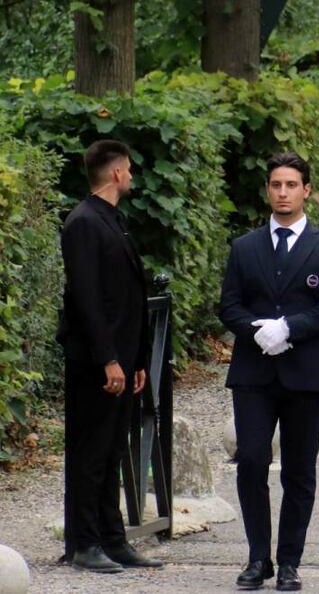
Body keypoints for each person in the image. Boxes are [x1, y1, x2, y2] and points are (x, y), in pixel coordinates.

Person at [218, 152, 319, 591]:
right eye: (276, 185)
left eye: (291, 185)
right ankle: (259, 556)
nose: (283, 193)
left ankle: (290, 560)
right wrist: (257, 331)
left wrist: (289, 328)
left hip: (304, 373)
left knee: (299, 470)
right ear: (267, 190)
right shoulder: (245, 247)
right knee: (252, 460)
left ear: (306, 190)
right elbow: (229, 304)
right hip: (254, 372)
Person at [57, 139, 162, 573]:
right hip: (95, 363)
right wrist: (108, 359)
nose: (132, 176)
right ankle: (84, 542)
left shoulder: (112, 220)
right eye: (130, 170)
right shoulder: (83, 222)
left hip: (119, 360)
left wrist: (136, 360)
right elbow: (86, 298)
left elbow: (126, 296)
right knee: (91, 451)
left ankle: (112, 537)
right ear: (117, 173)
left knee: (113, 449)